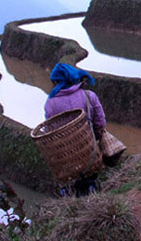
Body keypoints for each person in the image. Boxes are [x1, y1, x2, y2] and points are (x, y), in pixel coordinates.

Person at [43, 63, 106, 195]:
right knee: (89, 174)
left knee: (71, 178)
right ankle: (90, 188)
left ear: (56, 81)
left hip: (65, 153)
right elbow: (100, 122)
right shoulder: (89, 96)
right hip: (89, 148)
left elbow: (49, 129)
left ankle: (70, 193)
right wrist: (97, 137)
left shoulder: (50, 103)